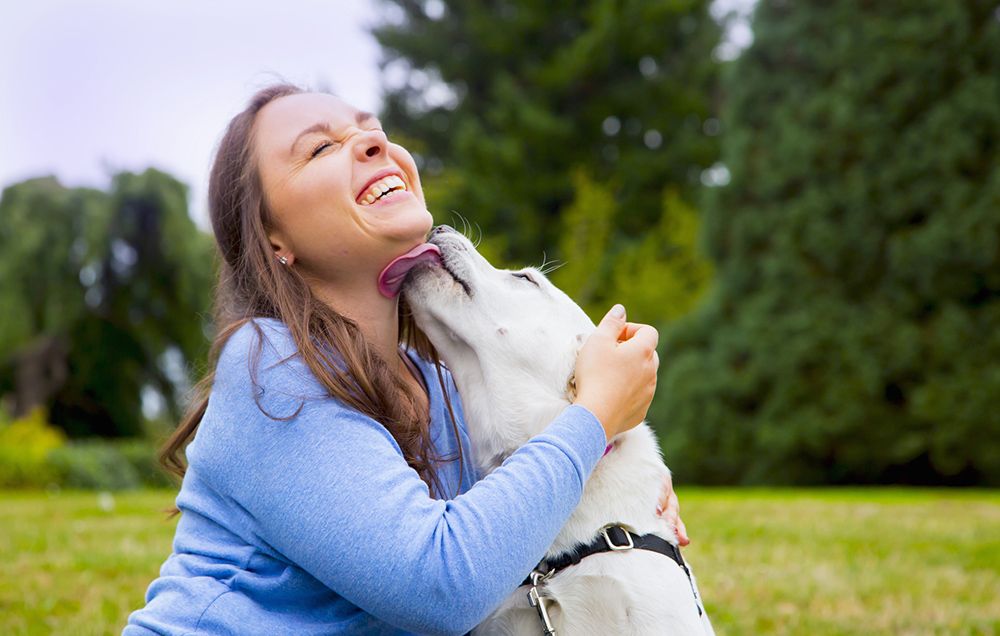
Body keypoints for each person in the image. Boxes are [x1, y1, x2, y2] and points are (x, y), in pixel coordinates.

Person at [124, 83, 689, 636]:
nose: (374, 145)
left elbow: (507, 523)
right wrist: (592, 420)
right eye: (320, 148)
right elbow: (438, 587)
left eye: (374, 131)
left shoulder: (442, 388)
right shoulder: (270, 363)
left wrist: (619, 498)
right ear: (273, 239)